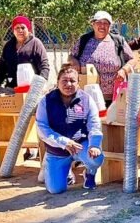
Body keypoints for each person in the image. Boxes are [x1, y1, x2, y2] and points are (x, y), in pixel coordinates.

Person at [35, 65, 105, 194]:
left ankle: (89, 173)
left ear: (78, 83)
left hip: (80, 145)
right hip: (57, 150)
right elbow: (42, 128)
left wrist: (94, 145)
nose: (68, 84)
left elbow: (94, 124)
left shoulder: (87, 100)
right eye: (64, 81)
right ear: (57, 83)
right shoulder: (46, 101)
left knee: (97, 158)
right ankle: (65, 171)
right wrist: (63, 142)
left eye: (72, 81)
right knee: (56, 190)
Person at [70, 10, 135, 104]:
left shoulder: (118, 41)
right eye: (98, 22)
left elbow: (132, 59)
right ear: (93, 24)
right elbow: (71, 56)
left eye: (106, 23)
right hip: (87, 97)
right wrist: (74, 62)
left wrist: (124, 70)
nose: (102, 25)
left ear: (110, 26)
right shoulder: (84, 40)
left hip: (114, 98)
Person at [0, 15, 51, 93]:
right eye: (17, 28)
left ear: (28, 29)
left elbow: (44, 66)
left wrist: (41, 84)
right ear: (13, 30)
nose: (20, 30)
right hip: (12, 88)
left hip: (32, 89)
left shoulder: (36, 43)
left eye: (23, 27)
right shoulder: (8, 46)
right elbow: (1, 68)